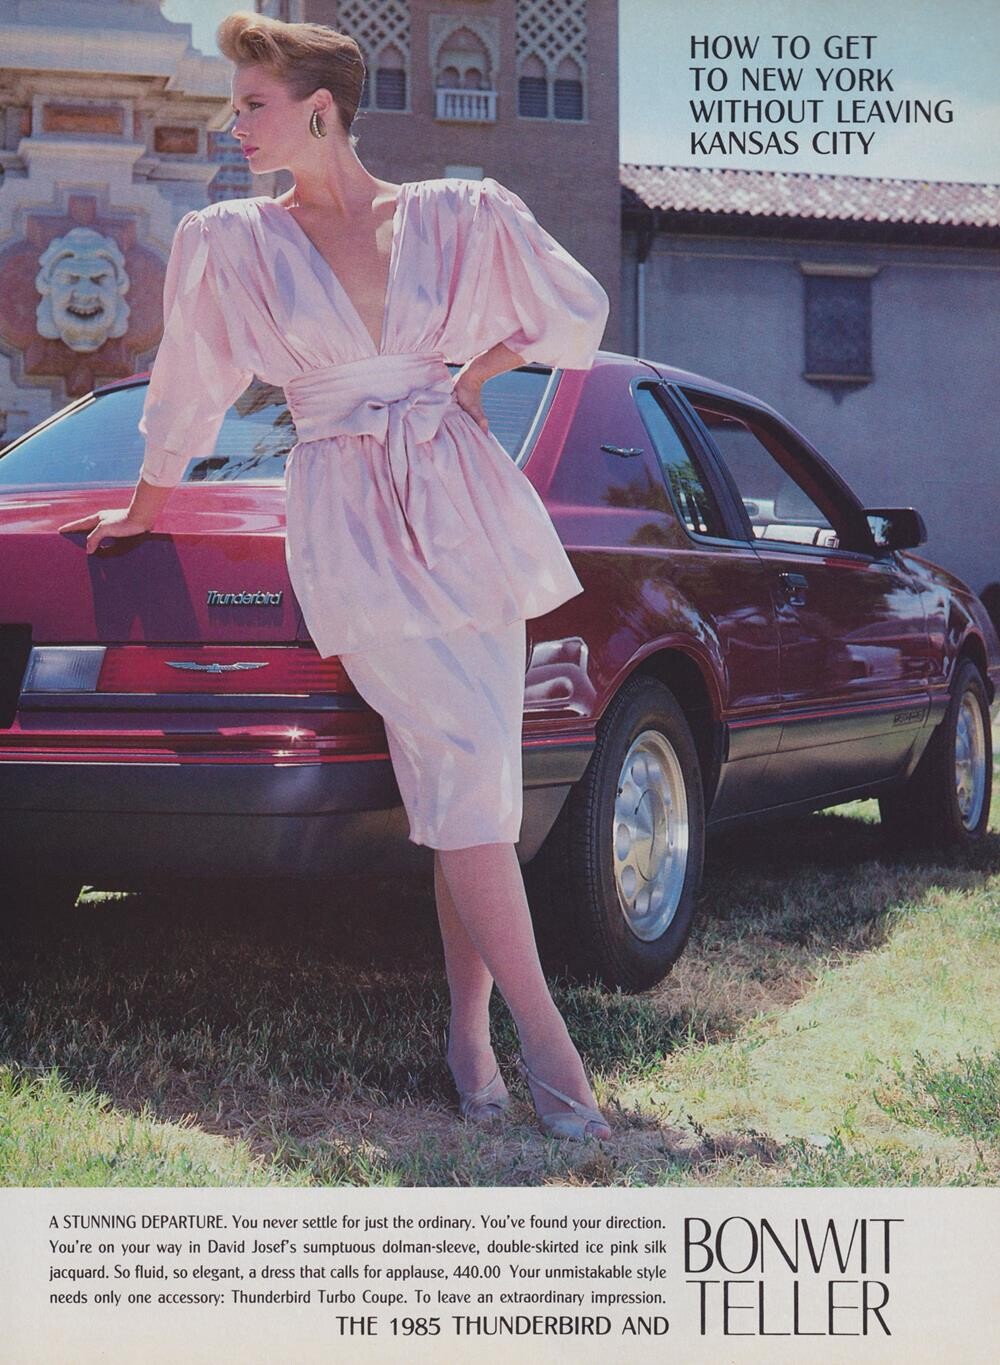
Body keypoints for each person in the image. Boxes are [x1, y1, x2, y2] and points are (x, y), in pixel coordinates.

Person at [57, 11, 612, 1141]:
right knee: (464, 773)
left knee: (473, 790)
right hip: (349, 515)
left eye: (251, 104)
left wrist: (474, 376)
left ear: (319, 112)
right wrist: (145, 508)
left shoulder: (456, 213)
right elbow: (188, 384)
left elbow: (573, 309)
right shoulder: (232, 240)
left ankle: (468, 1039)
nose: (234, 123)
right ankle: (551, 1051)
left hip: (461, 502)